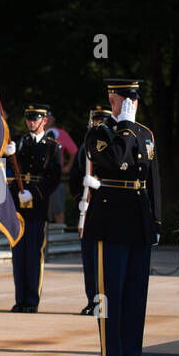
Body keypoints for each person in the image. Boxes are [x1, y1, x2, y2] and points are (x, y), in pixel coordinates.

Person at [83, 78, 161, 356]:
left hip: (138, 218)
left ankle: (132, 351)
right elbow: (115, 159)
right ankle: (113, 353)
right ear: (112, 99)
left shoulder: (145, 133)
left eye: (134, 99)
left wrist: (155, 221)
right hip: (111, 219)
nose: (131, 104)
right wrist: (125, 126)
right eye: (124, 98)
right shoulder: (100, 132)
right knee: (110, 290)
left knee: (135, 291)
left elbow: (153, 178)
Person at [6, 103, 61, 312]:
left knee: (33, 254)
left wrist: (35, 193)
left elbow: (54, 178)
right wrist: (7, 154)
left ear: (44, 120)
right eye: (29, 118)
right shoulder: (18, 143)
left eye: (35, 118)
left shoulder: (52, 146)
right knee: (18, 254)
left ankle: (31, 300)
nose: (31, 122)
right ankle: (20, 298)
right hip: (18, 204)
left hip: (37, 205)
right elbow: (7, 168)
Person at [70, 104, 112, 315]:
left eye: (102, 121)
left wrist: (101, 185)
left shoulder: (114, 147)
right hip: (88, 210)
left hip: (107, 210)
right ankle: (91, 299)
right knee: (89, 260)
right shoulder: (84, 149)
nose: (99, 125)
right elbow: (74, 178)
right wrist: (80, 200)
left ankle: (102, 302)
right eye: (96, 121)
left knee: (105, 261)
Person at [45, 110, 78, 225]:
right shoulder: (36, 134)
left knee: (57, 209)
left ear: (53, 119)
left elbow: (74, 151)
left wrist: (68, 167)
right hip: (41, 177)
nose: (47, 120)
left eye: (48, 117)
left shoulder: (60, 134)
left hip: (56, 177)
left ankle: (60, 237)